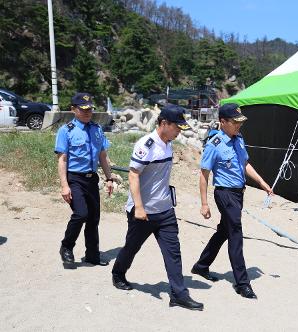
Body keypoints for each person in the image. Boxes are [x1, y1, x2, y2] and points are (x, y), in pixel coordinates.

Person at [111, 105, 203, 311]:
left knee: (173, 252)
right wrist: (139, 208)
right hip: (143, 212)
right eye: (177, 127)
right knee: (131, 247)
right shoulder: (146, 145)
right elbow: (133, 175)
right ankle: (118, 273)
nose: (180, 131)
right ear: (164, 124)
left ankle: (179, 294)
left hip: (165, 210)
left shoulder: (168, 143)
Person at [191, 103, 273, 299]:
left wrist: (261, 182)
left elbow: (244, 163)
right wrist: (204, 204)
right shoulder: (214, 144)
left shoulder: (239, 139)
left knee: (225, 231)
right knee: (235, 230)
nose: (239, 126)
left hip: (238, 193)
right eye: (235, 123)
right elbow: (204, 175)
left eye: (240, 122)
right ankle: (242, 283)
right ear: (223, 122)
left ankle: (201, 266)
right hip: (224, 194)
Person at [55, 92, 114, 267]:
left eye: (90, 109)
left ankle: (92, 255)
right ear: (74, 109)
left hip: (92, 179)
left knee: (93, 218)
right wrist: (64, 186)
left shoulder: (97, 129)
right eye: (83, 109)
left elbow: (103, 156)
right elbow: (62, 159)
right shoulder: (66, 131)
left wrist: (109, 178)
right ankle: (66, 246)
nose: (88, 113)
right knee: (81, 214)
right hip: (74, 178)